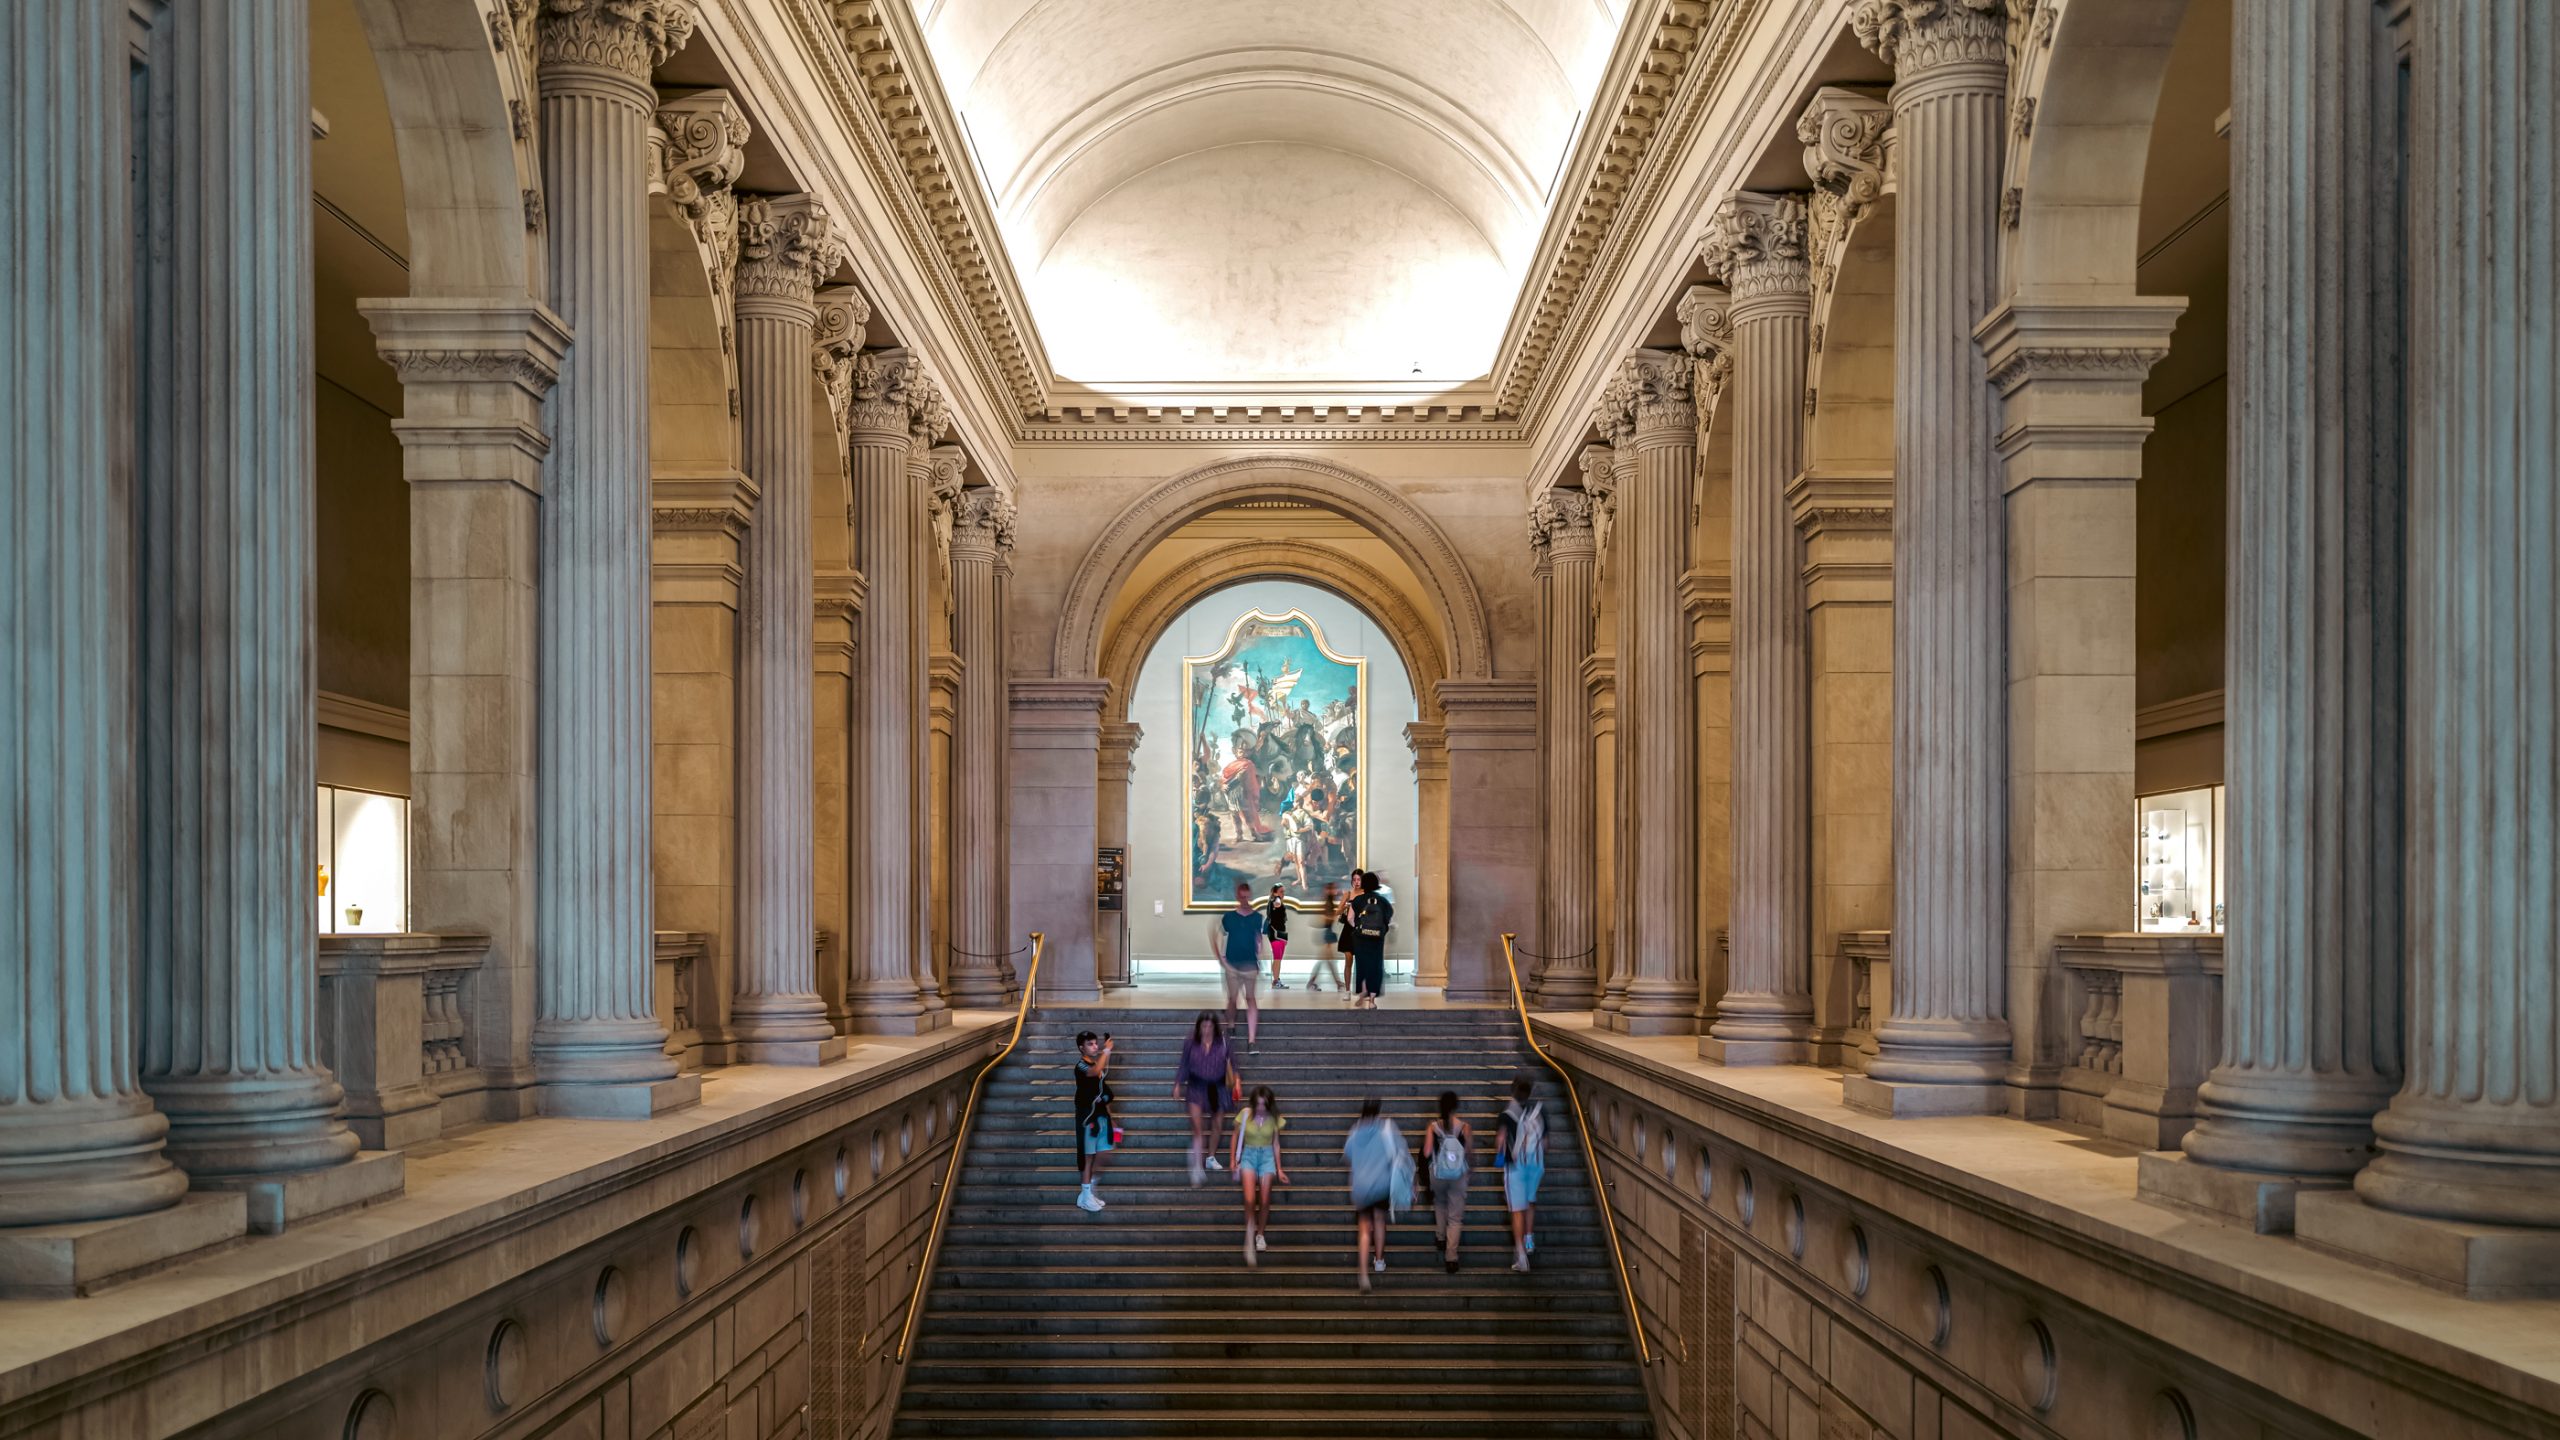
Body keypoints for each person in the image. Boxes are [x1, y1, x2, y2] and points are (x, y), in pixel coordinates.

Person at [1343, 1096, 1411, 1293]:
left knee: (1364, 1228)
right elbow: (1401, 1153)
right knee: (1380, 1221)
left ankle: (1363, 1273)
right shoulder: (1386, 1129)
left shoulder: (1355, 1132)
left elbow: (1348, 1156)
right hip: (1381, 1184)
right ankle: (1379, 1260)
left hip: (1361, 1187)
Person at [1175, 1012, 1239, 1187]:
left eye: (1210, 1026)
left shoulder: (1223, 1042)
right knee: (1198, 1127)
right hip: (1196, 1087)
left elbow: (1232, 1063)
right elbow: (1184, 1064)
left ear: (1215, 1027)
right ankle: (1197, 1163)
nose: (1207, 1030)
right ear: (1199, 1027)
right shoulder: (1191, 1042)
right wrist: (1178, 1084)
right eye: (1204, 1026)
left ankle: (1210, 1156)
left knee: (1217, 1124)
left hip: (1218, 1087)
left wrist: (1238, 1082)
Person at [1231, 1085, 1290, 1267]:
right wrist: (1233, 1160)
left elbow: (1276, 1144)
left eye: (1264, 1105)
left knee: (1264, 1199)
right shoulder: (1245, 1113)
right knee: (1249, 1199)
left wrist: (1279, 1169)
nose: (1261, 1108)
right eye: (1258, 1104)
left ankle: (1260, 1234)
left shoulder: (1274, 1119)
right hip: (1248, 1155)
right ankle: (1249, 1234)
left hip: (1266, 1157)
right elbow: (1234, 1136)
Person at [1208, 881, 1271, 1048]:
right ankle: (1230, 1024)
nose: (1245, 900)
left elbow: (1259, 940)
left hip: (1250, 963)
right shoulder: (1229, 917)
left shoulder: (1257, 918)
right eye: (1242, 897)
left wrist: (1261, 959)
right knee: (1232, 998)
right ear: (1238, 896)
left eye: (1247, 897)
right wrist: (1222, 960)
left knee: (1250, 999)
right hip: (1232, 963)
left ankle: (1251, 1040)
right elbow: (1218, 936)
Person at [1497, 1073, 1547, 1271]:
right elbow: (1545, 1142)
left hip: (1515, 1166)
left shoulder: (1506, 1114)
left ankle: (1521, 1256)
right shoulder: (1538, 1112)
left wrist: (1499, 1159)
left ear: (1513, 1090)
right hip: (1535, 1165)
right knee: (1530, 1203)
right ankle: (1529, 1242)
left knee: (1517, 1210)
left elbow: (1501, 1142)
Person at [1423, 1090, 1472, 1273]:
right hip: (1458, 1176)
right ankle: (1451, 1257)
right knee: (1455, 1217)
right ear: (1456, 1106)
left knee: (1440, 1204)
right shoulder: (1465, 1127)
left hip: (1438, 1174)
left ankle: (1440, 1236)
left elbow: (1427, 1152)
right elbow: (1469, 1154)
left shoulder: (1433, 1127)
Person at [1073, 1031, 1117, 1212]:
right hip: (1088, 1118)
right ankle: (1085, 1195)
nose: (1095, 1047)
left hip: (1101, 1117)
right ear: (1081, 1048)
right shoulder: (1081, 1065)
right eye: (1090, 1044)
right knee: (1088, 1157)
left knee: (1105, 1151)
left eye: (1096, 1043)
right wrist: (1107, 1051)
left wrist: (1111, 1118)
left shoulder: (1096, 1066)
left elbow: (1103, 1094)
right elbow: (1095, 1071)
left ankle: (1088, 1192)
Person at [1344, 871, 1394, 1009]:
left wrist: (1357, 928)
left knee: (1362, 965)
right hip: (1377, 938)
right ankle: (1372, 1001)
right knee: (1375, 966)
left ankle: (1362, 992)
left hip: (1361, 938)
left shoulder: (1358, 900)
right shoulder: (1383, 901)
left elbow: (1349, 918)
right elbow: (1388, 918)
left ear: (1364, 884)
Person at [1306, 881, 1346, 992]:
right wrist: (1337, 914)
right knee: (1328, 960)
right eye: (1332, 888)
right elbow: (1326, 918)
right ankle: (1338, 983)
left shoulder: (1330, 902)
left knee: (1326, 960)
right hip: (1328, 933)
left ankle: (1313, 982)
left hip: (1329, 933)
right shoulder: (1328, 902)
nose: (1335, 890)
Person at [1263, 884, 1292, 988]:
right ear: (1275, 892)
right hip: (1275, 933)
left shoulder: (1277, 902)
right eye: (1280, 892)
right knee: (1277, 958)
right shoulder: (1274, 901)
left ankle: (1277, 979)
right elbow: (1277, 903)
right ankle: (1275, 982)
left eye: (1283, 892)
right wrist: (1278, 899)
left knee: (1279, 958)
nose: (1282, 894)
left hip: (1281, 933)